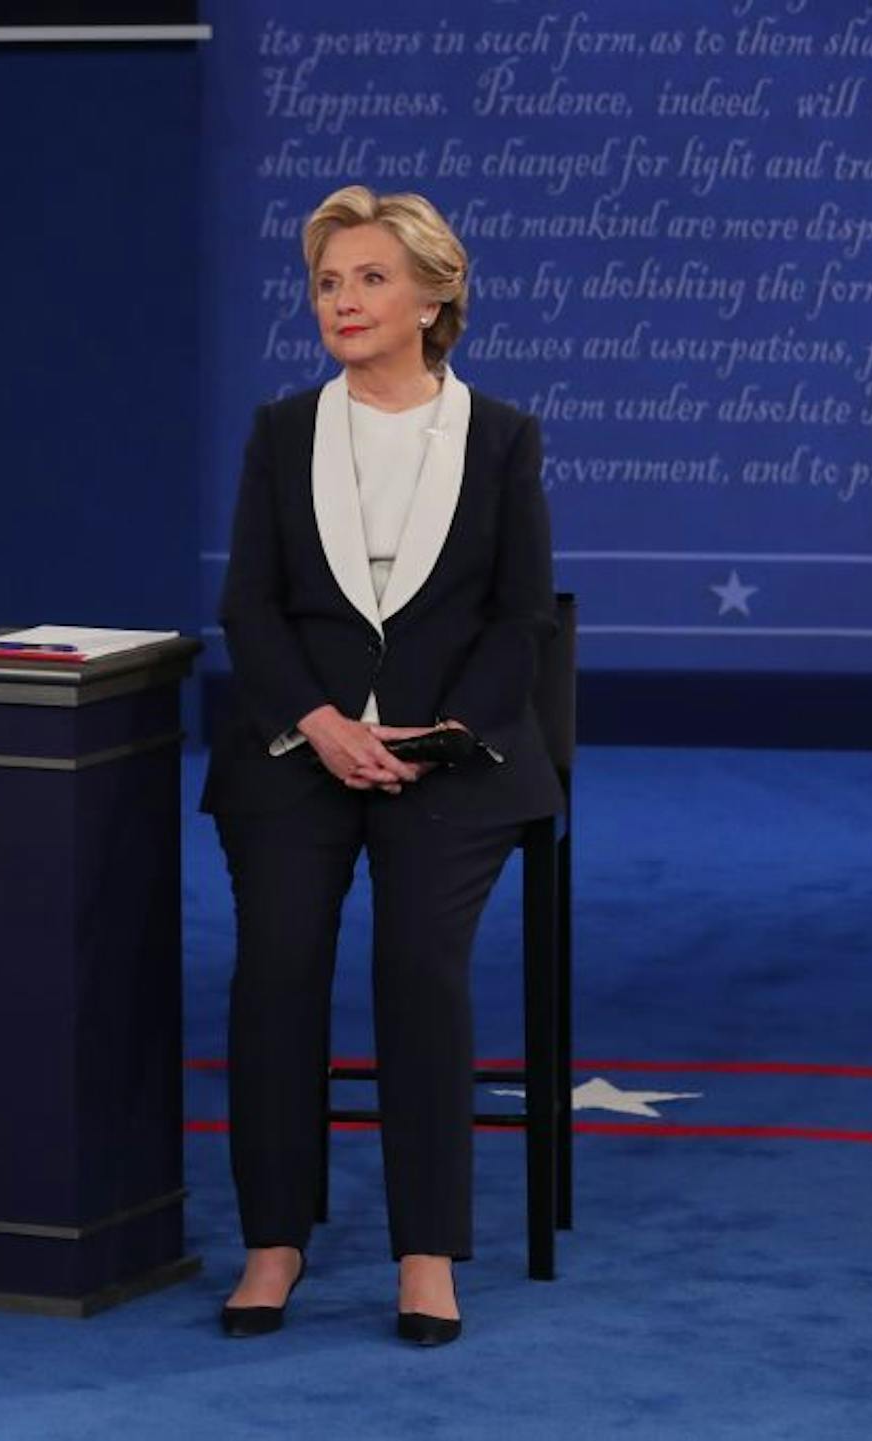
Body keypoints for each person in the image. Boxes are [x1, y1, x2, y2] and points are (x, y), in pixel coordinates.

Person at [200, 185, 562, 1347]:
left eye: (366, 279)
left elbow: (517, 621)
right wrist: (318, 720)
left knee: (420, 975)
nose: (342, 301)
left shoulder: (502, 435)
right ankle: (275, 1241)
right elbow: (248, 608)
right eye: (326, 282)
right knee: (276, 977)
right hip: (296, 751)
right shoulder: (280, 431)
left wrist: (439, 735)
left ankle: (426, 1251)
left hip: (448, 764)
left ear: (433, 295)